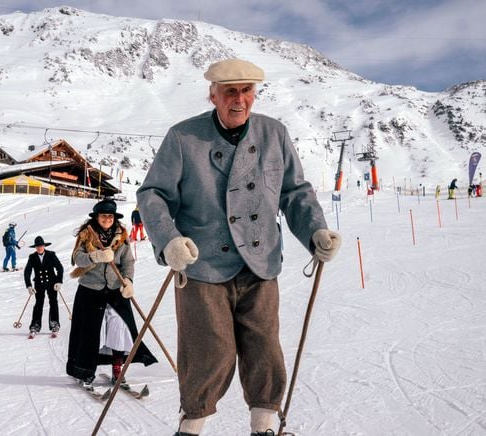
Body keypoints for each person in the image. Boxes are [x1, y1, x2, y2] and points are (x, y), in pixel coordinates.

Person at [137, 58, 341, 436]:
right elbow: (153, 195)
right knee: (208, 352)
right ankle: (191, 428)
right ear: (212, 94)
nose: (240, 99)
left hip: (261, 263)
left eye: (247, 91)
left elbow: (294, 192)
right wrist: (169, 241)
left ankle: (264, 428)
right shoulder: (184, 138)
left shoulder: (274, 134)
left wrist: (316, 231)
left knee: (264, 349)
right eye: (231, 91)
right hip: (202, 267)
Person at [66, 198, 157, 391]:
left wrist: (129, 281)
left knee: (120, 330)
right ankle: (86, 372)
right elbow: (77, 259)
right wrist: (95, 256)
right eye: (103, 215)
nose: (107, 219)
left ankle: (118, 371)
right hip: (90, 290)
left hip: (115, 291)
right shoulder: (86, 235)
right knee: (90, 333)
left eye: (110, 216)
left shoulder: (122, 237)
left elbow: (128, 263)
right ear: (97, 217)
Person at [23, 236, 64, 337]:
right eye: (37, 246)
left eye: (41, 246)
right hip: (39, 284)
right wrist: (29, 286)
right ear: (35, 247)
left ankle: (54, 323)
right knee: (38, 304)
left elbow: (60, 268)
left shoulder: (51, 255)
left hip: (52, 283)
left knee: (53, 302)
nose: (39, 248)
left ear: (44, 246)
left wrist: (59, 282)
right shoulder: (32, 257)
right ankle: (35, 325)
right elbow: (27, 272)